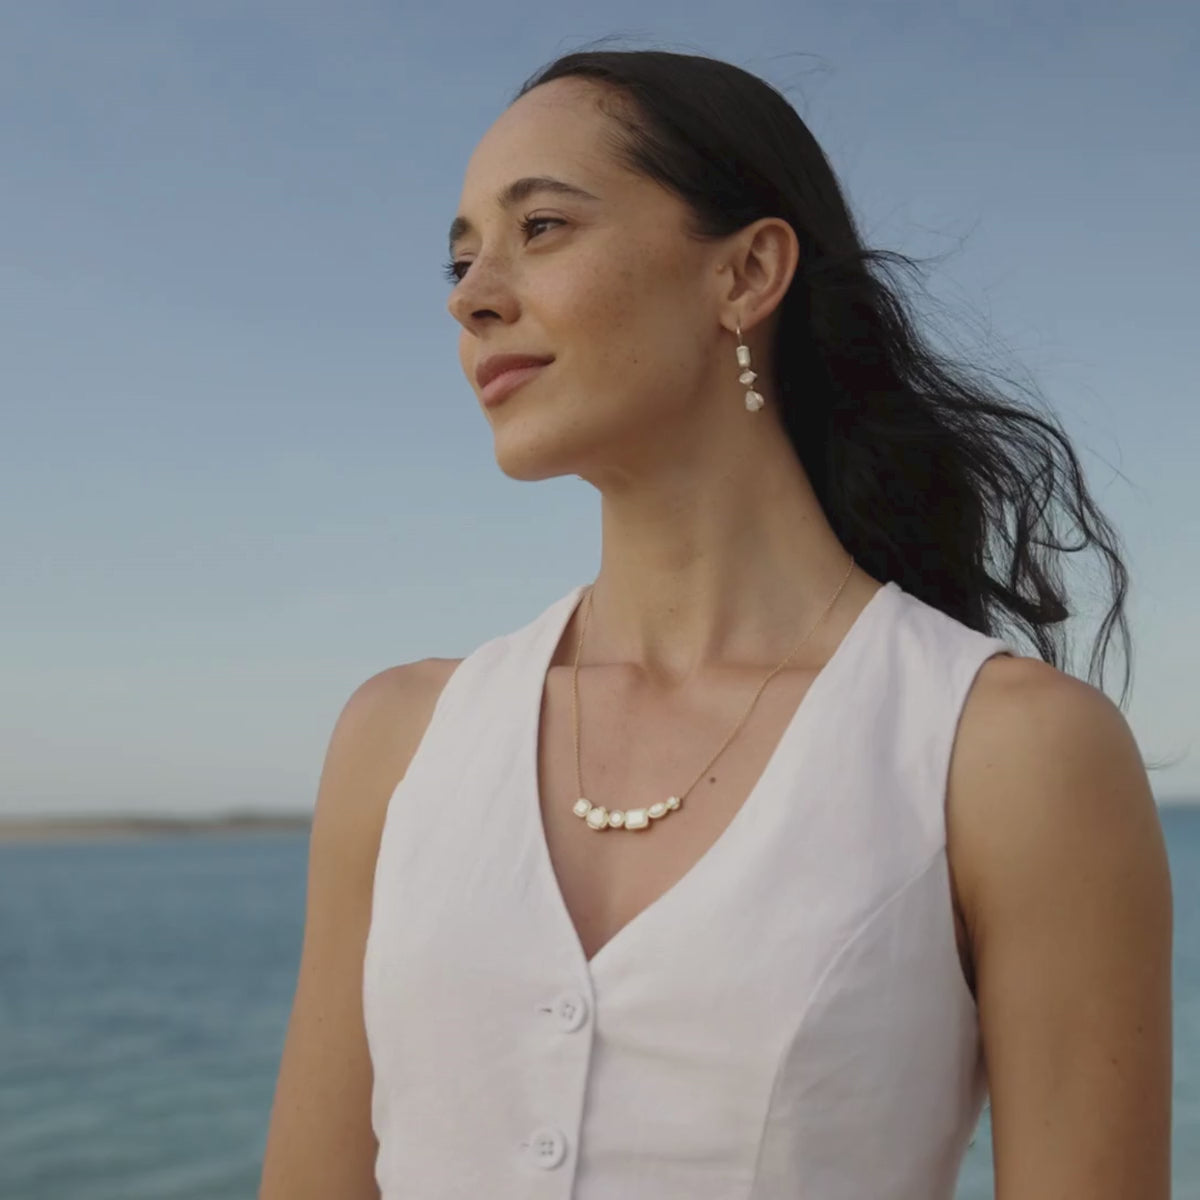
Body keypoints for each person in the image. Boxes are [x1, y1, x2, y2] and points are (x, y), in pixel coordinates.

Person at [259, 47, 1173, 1200]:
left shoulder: (1006, 754)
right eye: (460, 255)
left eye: (540, 228)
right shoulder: (398, 742)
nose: (472, 293)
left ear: (747, 274)